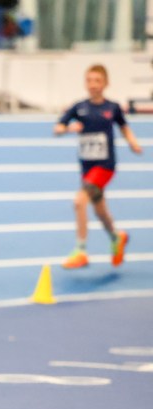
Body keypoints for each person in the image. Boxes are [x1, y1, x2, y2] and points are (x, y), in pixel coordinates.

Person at [54, 64, 142, 269]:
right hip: (87, 167)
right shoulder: (79, 107)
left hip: (105, 166)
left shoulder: (112, 107)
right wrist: (68, 128)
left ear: (106, 83)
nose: (93, 84)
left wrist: (133, 143)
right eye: (89, 80)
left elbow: (124, 127)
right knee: (100, 211)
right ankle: (116, 237)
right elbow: (57, 127)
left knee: (79, 202)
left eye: (97, 80)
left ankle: (81, 251)